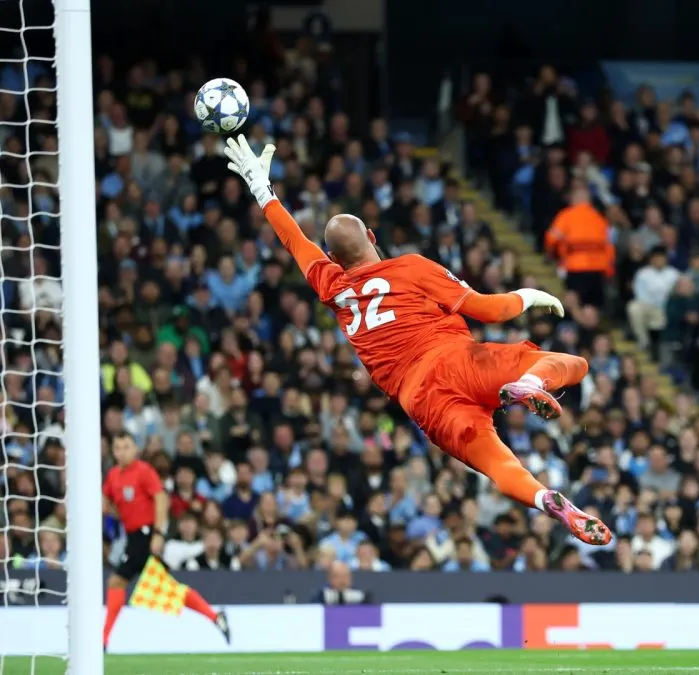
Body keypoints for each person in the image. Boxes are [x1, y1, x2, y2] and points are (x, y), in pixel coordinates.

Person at [223, 135, 611, 546]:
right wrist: (531, 296)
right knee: (575, 365)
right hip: (456, 359)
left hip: (421, 399)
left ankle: (543, 498)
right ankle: (530, 385)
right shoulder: (410, 267)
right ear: (372, 236)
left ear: (334, 259)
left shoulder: (331, 285)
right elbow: (489, 310)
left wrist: (260, 188)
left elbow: (294, 241)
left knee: (498, 465)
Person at [102, 431, 229, 649]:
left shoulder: (143, 471)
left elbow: (161, 500)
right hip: (132, 536)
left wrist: (158, 533)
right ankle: (215, 616)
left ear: (135, 449)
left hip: (145, 534)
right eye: (117, 448)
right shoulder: (113, 475)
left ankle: (103, 639)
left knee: (117, 581)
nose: (121, 452)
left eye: (126, 447)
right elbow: (106, 503)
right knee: (169, 588)